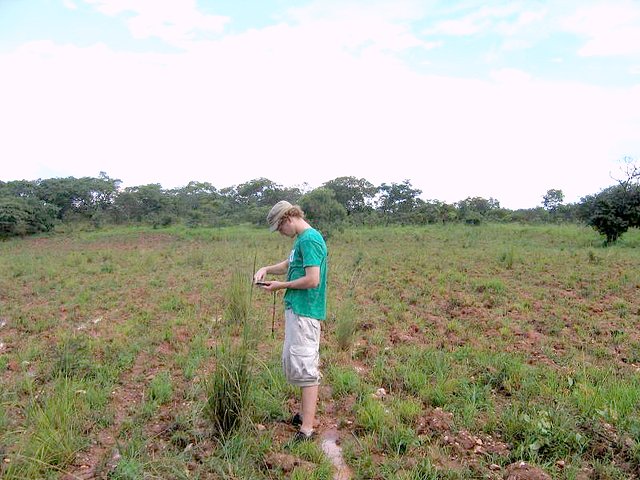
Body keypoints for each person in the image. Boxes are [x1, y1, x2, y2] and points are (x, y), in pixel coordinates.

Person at [254, 200, 328, 442]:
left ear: (288, 219)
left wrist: (280, 286)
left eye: (279, 227)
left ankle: (307, 428)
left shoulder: (310, 239)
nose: (280, 233)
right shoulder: (301, 240)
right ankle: (305, 415)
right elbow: (289, 265)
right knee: (298, 361)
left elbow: (312, 279)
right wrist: (266, 269)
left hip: (306, 311)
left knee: (306, 368)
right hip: (297, 310)